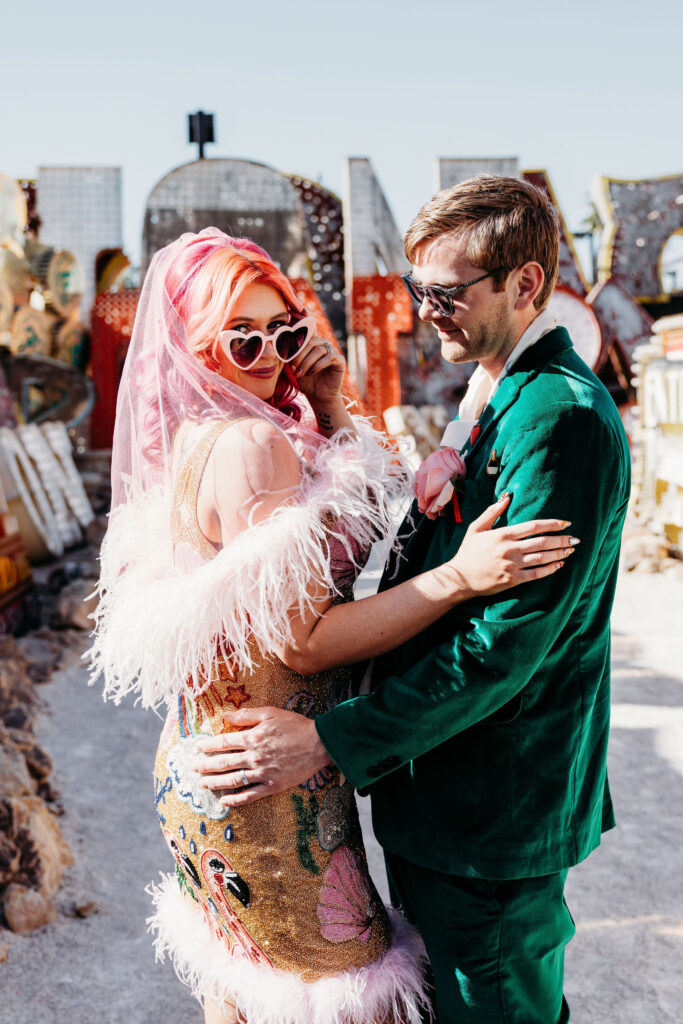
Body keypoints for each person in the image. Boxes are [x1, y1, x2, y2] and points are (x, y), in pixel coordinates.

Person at [89, 227, 576, 1024]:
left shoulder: (200, 436)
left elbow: (337, 540)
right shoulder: (251, 445)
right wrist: (459, 579)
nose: (270, 355)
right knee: (347, 998)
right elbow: (302, 641)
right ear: (193, 346)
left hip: (214, 758)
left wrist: (329, 408)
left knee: (250, 989)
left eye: (282, 330)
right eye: (240, 339)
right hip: (264, 781)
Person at [195, 178, 632, 1023]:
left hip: (490, 807)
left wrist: (326, 739)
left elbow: (502, 650)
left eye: (445, 292)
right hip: (442, 796)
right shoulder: (498, 390)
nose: (425, 310)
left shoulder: (558, 417)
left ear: (525, 285)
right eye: (414, 287)